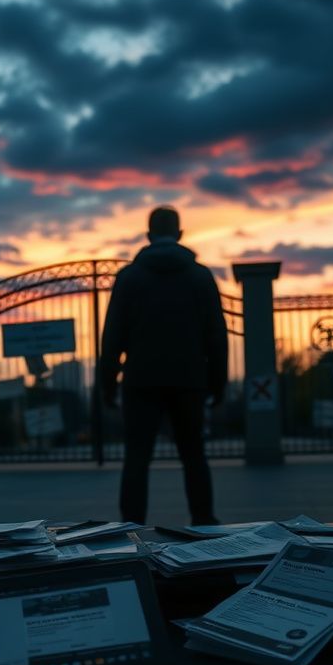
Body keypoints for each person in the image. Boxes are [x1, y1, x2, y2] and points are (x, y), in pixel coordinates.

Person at [100, 205, 228, 525]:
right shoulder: (200, 276)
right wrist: (218, 383)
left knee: (137, 460)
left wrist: (107, 385)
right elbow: (216, 335)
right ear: (180, 234)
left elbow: (112, 336)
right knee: (194, 456)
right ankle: (204, 524)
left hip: (141, 379)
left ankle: (130, 528)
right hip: (189, 379)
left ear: (148, 235)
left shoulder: (128, 278)